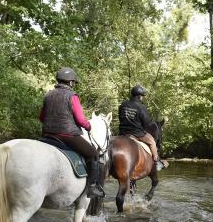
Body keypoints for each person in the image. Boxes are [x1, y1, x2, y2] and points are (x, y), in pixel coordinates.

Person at [39, 67, 105, 198]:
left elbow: (41, 117)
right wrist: (88, 126)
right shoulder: (72, 96)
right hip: (67, 135)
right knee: (93, 154)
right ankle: (92, 188)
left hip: (47, 134)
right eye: (74, 82)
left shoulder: (48, 95)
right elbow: (80, 120)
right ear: (70, 82)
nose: (74, 85)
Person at [118, 85, 164, 170]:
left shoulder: (123, 104)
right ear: (139, 96)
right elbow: (147, 124)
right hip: (136, 133)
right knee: (152, 142)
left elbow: (120, 118)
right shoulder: (141, 107)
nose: (142, 98)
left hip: (123, 132)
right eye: (142, 96)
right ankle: (157, 163)